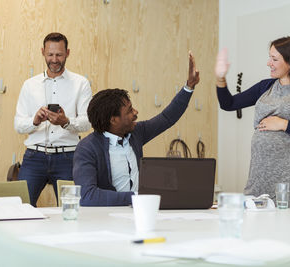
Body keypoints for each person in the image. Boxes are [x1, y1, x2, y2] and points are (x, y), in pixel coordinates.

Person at [215, 37, 290, 209]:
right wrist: (220, 78)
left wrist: (284, 124)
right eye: (269, 57)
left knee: (289, 225)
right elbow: (229, 104)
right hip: (260, 173)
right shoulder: (265, 87)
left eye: (274, 59)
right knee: (254, 222)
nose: (269, 63)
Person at [73, 51, 200, 206]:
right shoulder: (87, 148)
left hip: (139, 212)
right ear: (113, 120)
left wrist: (189, 87)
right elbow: (87, 196)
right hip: (107, 218)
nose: (136, 113)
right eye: (129, 111)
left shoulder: (136, 133)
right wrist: (136, 197)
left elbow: (167, 118)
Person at [14, 32, 92, 206]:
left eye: (59, 55)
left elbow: (88, 121)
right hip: (34, 157)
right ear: (43, 52)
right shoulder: (29, 85)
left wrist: (65, 122)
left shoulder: (81, 83)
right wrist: (34, 121)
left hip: (68, 157)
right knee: (20, 208)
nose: (54, 59)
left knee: (72, 210)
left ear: (68, 53)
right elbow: (18, 124)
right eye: (50, 54)